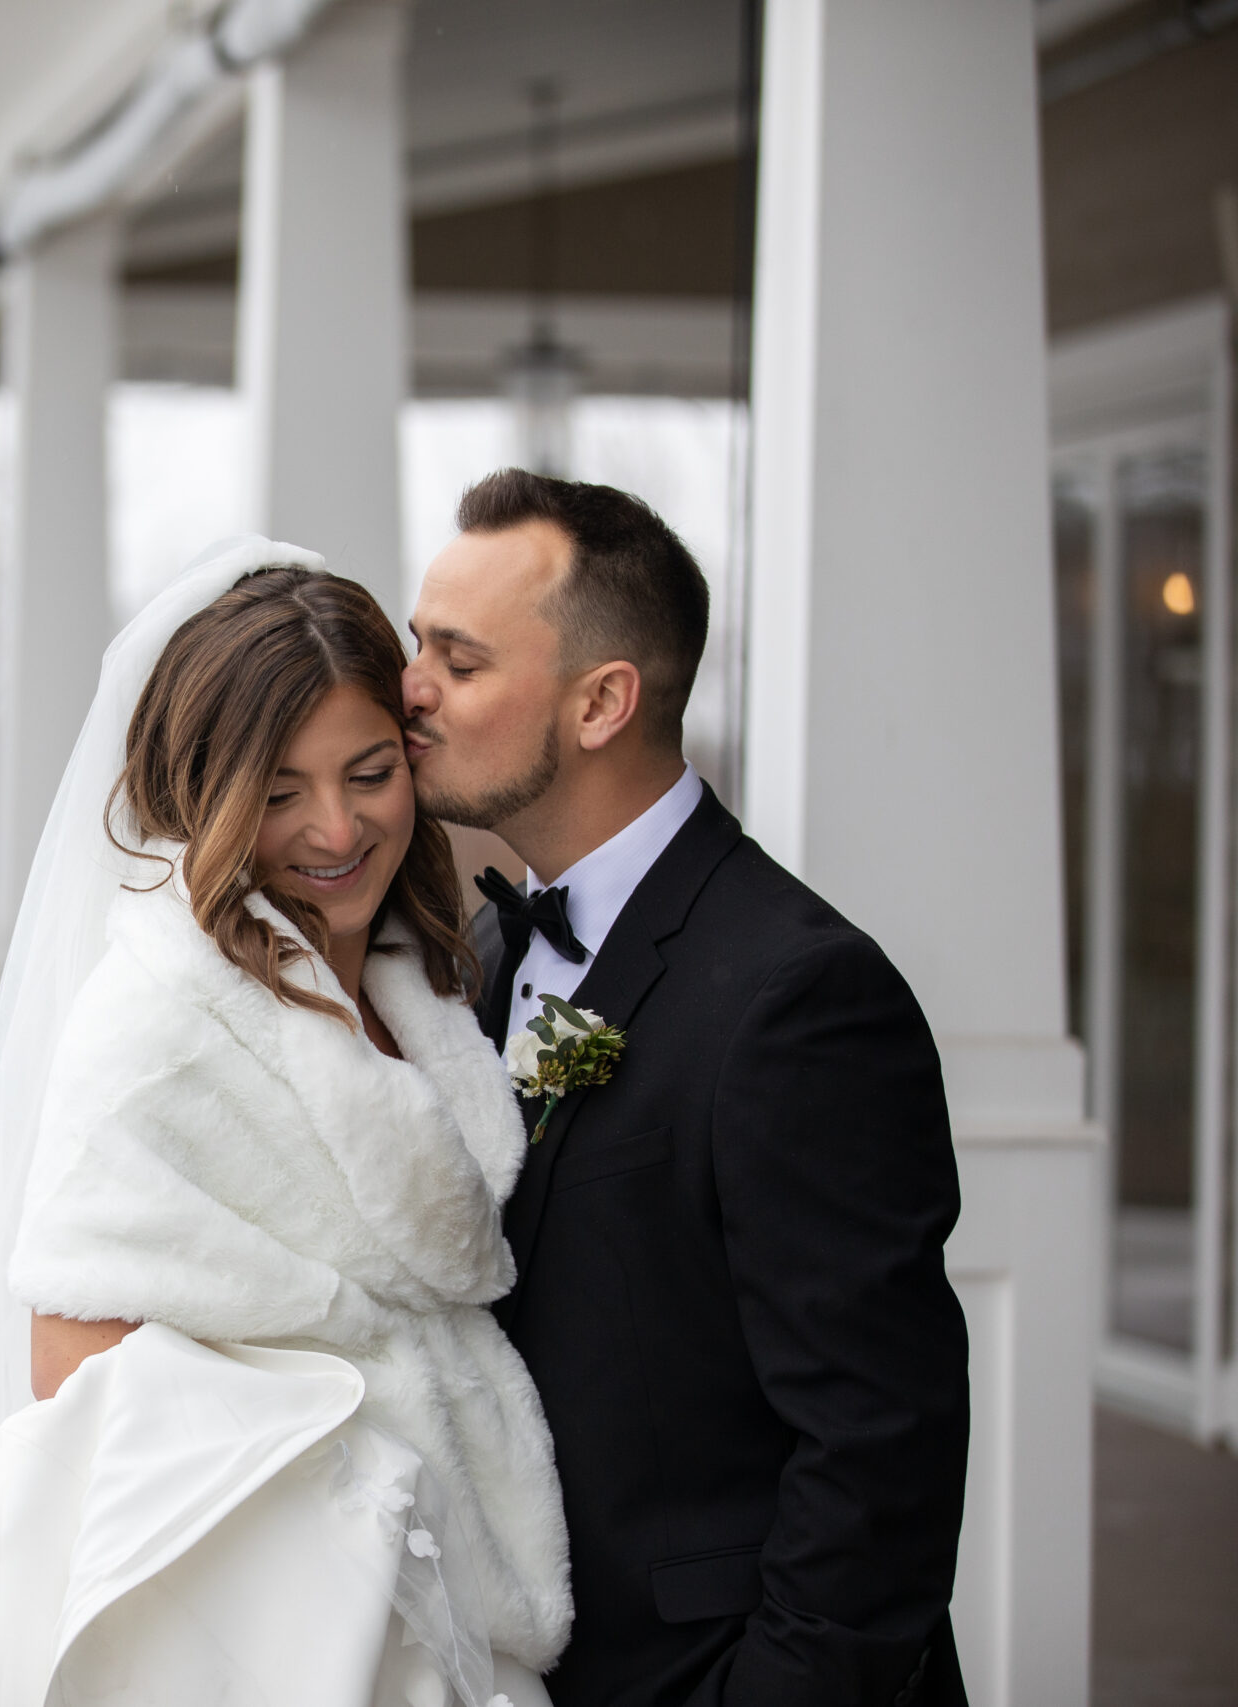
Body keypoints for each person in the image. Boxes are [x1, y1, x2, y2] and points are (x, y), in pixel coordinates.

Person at [0, 539, 569, 1707]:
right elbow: (73, 1385)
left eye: (370, 772)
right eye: (279, 793)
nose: (336, 830)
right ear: (206, 794)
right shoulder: (152, 1032)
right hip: (285, 1630)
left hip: (459, 1603)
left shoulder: (425, 975)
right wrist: (360, 1487)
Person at [400, 470, 970, 1706]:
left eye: (458, 657)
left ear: (602, 700)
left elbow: (880, 1452)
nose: (410, 691)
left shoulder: (801, 998)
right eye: (415, 646)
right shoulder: (488, 956)